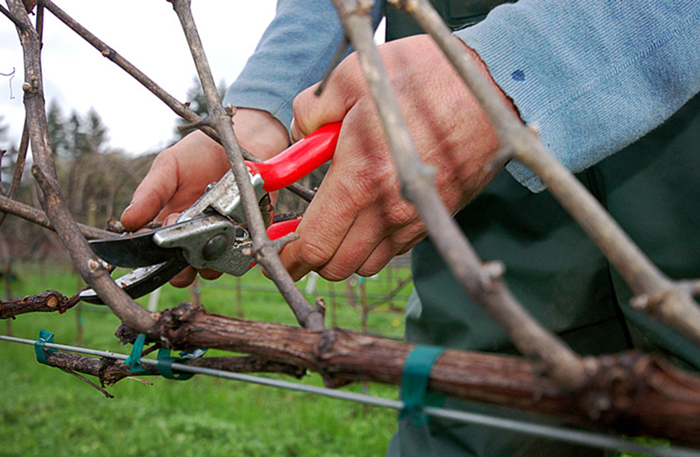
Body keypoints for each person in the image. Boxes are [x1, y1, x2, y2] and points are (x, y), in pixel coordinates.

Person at [121, 1, 700, 455]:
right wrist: (262, 106)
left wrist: (518, 66)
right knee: (468, 427)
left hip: (680, 109)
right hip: (463, 172)